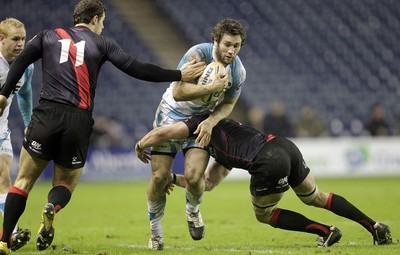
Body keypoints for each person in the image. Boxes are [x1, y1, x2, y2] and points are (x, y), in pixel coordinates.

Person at [0, 0, 205, 254]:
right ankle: (53, 206)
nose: (103, 26)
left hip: (47, 113)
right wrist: (178, 75)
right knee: (65, 183)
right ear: (95, 19)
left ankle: (3, 240)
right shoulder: (103, 43)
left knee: (23, 180)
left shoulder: (47, 36)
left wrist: (4, 94)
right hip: (78, 119)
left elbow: (20, 63)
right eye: (103, 22)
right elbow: (136, 68)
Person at [135, 115, 393, 247]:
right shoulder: (228, 132)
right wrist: (172, 178)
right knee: (316, 197)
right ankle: (375, 227)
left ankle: (325, 232)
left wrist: (142, 143)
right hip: (284, 146)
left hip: (266, 160)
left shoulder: (198, 123)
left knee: (264, 214)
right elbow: (208, 182)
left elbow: (167, 132)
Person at [146, 18, 246, 250]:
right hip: (170, 116)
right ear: (216, 41)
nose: (231, 51)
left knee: (193, 176)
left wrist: (211, 121)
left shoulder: (238, 71)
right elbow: (179, 92)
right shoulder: (198, 55)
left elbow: (229, 103)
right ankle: (155, 231)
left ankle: (192, 211)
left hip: (200, 122)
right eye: (227, 44)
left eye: (237, 46)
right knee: (160, 178)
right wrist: (209, 89)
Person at [0, 17, 33, 252]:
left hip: (1, 131)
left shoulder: (26, 65)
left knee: (4, 180)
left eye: (23, 38)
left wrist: (29, 122)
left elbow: (25, 93)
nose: (20, 44)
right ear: (1, 39)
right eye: (15, 39)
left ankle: (11, 232)